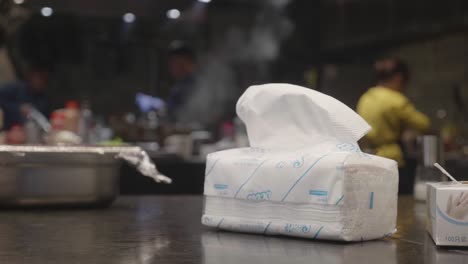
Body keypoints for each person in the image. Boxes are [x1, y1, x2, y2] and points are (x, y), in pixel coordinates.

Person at [357, 57, 430, 194]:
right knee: (396, 199)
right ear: (398, 78)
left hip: (367, 156)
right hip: (392, 158)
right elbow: (423, 123)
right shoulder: (395, 100)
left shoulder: (366, 97)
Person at [0, 66, 51, 130]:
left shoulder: (43, 99)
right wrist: (18, 108)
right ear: (32, 76)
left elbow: (45, 121)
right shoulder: (16, 88)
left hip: (32, 132)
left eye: (44, 79)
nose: (40, 81)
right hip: (8, 129)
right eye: (39, 77)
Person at [166, 41, 198, 125]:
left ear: (189, 62)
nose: (172, 67)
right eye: (171, 62)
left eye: (175, 62)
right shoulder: (178, 86)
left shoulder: (196, 85)